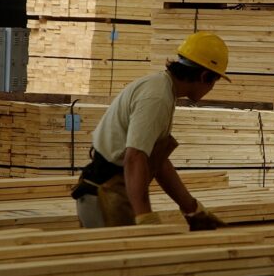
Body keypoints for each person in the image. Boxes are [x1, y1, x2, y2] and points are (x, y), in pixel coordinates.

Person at [71, 31, 228, 231]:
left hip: (115, 192)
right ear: (205, 76)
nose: (211, 88)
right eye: (214, 81)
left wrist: (192, 209)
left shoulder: (163, 90)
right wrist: (144, 218)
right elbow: (134, 157)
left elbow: (158, 163)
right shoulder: (157, 97)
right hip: (105, 196)